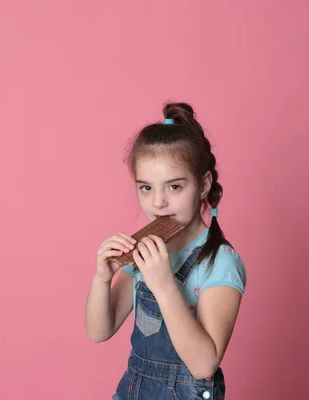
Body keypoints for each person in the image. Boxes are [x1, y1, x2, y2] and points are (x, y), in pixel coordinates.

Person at [85, 102, 247, 399]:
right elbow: (99, 332)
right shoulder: (145, 252)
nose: (158, 202)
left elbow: (203, 364)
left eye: (174, 187)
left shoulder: (220, 262)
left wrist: (163, 284)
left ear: (203, 184)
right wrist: (102, 278)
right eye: (146, 188)